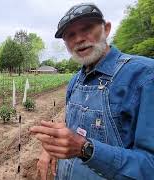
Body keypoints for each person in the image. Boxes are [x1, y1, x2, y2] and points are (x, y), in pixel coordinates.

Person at [30, 3, 154, 180]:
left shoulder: (144, 76)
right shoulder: (75, 81)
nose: (79, 39)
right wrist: (48, 149)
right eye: (70, 35)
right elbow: (72, 128)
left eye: (87, 28)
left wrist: (85, 149)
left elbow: (150, 166)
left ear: (107, 29)